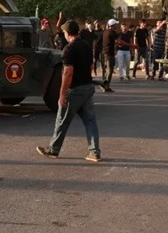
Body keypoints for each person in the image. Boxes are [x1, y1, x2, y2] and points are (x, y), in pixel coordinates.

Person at [36, 20, 102, 162]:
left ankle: (53, 150)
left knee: (62, 120)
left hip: (75, 89)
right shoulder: (85, 45)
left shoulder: (68, 49)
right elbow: (91, 66)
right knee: (90, 121)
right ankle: (94, 152)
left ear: (66, 33)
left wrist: (62, 93)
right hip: (88, 87)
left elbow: (67, 73)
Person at [101, 19, 119, 90]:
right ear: (113, 25)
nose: (116, 26)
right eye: (115, 25)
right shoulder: (112, 32)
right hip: (109, 53)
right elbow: (118, 41)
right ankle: (106, 86)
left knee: (107, 70)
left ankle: (105, 84)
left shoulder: (105, 31)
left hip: (104, 52)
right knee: (110, 70)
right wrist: (131, 45)